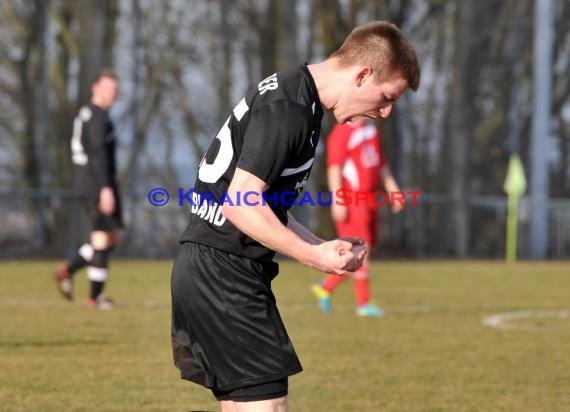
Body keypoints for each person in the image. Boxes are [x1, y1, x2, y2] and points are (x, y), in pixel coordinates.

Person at [171, 21, 420, 412]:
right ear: (363, 74)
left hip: (211, 268)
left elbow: (264, 206)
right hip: (224, 274)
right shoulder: (290, 109)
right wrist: (313, 257)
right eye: (386, 97)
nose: (385, 112)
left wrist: (321, 245)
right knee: (268, 406)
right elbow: (240, 204)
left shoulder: (296, 96)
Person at [312, 118, 403, 317]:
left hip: (371, 199)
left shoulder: (372, 130)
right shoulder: (342, 132)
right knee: (362, 251)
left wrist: (393, 190)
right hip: (353, 199)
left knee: (365, 250)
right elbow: (334, 167)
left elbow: (381, 164)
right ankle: (363, 304)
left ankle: (326, 286)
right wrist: (338, 200)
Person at [53, 70, 123, 310]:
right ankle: (95, 297)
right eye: (107, 88)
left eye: (115, 89)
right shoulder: (97, 117)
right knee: (102, 239)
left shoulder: (91, 114)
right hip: (95, 184)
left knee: (111, 237)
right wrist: (105, 188)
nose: (111, 93)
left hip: (94, 182)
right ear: (95, 87)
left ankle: (67, 270)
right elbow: (97, 155)